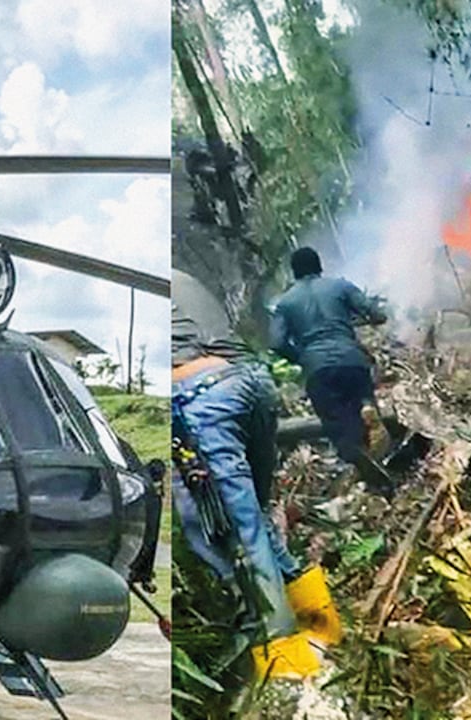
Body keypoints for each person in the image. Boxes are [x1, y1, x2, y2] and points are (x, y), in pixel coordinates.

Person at [171, 270, 326, 680]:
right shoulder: (182, 279)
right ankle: (324, 628)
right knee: (254, 517)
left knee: (223, 532)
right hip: (252, 383)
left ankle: (290, 670)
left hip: (199, 397)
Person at [268, 247, 392, 495]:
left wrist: (302, 357)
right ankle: (367, 408)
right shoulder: (340, 286)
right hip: (352, 361)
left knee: (339, 426)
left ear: (294, 272)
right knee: (360, 407)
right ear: (319, 266)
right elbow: (376, 314)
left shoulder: (285, 302)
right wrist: (358, 320)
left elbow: (276, 343)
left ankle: (360, 460)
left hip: (318, 370)